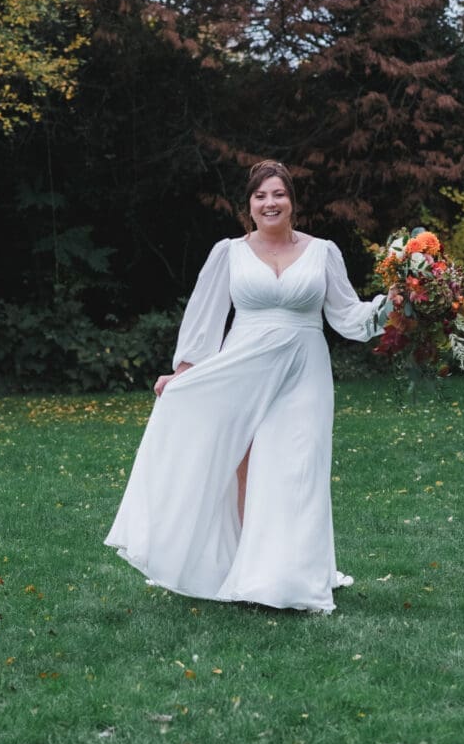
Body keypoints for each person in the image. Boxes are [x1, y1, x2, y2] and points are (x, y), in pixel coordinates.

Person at [105, 160, 392, 613]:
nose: (269, 203)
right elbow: (205, 317)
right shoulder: (229, 252)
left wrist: (392, 306)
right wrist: (183, 372)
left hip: (304, 369)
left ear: (292, 202)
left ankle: (289, 577)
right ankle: (243, 566)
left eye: (278, 194)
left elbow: (347, 315)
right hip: (243, 363)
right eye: (260, 196)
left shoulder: (323, 252)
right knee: (242, 464)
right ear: (250, 206)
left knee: (297, 464)